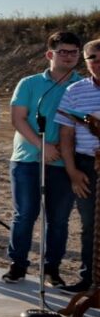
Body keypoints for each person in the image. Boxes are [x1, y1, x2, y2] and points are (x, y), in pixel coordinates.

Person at [2, 32, 83, 285]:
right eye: (63, 51)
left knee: (58, 219)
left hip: (64, 162)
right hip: (28, 159)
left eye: (74, 52)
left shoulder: (83, 85)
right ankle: (18, 265)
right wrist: (42, 145)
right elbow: (18, 119)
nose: (69, 56)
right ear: (50, 54)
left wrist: (63, 147)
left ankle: (52, 269)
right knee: (25, 214)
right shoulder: (29, 83)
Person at [56, 38, 100, 293]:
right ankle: (89, 279)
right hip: (85, 166)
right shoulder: (75, 91)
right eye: (92, 58)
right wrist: (73, 172)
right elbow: (66, 135)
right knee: (90, 225)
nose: (98, 63)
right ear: (85, 62)